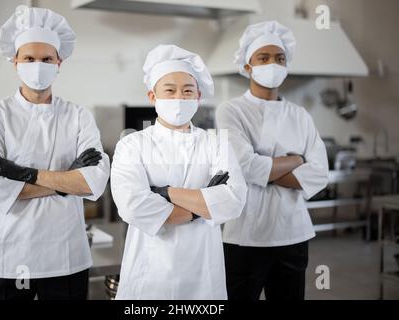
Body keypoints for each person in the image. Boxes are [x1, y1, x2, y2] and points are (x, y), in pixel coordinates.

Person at [0, 6, 110, 300]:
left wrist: (23, 174)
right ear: (15, 62)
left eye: (46, 59)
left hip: (65, 255)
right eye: (29, 58)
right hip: (8, 254)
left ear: (59, 62)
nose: (38, 65)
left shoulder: (78, 116)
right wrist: (63, 183)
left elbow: (92, 183)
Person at [111, 44, 247, 299]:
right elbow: (132, 206)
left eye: (187, 91)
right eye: (169, 90)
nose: (179, 98)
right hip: (150, 271)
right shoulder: (132, 144)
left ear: (198, 97)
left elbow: (234, 201)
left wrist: (165, 193)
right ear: (152, 96)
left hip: (203, 270)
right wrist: (205, 205)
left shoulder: (216, 143)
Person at [216, 21, 329, 300]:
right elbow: (244, 167)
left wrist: (263, 168)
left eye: (279, 58)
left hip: (293, 234)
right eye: (263, 58)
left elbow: (320, 173)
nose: (272, 64)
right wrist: (296, 160)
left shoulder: (300, 115)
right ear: (247, 66)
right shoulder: (231, 111)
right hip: (245, 236)